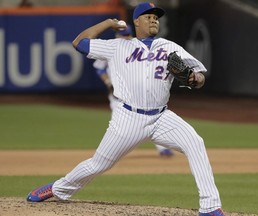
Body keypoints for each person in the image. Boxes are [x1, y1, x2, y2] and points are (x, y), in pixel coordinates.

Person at [26, 2, 224, 216]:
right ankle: (57, 188)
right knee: (98, 164)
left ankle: (210, 207)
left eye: (156, 16)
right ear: (136, 22)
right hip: (128, 118)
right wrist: (107, 23)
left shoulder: (170, 47)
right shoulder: (118, 47)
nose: (153, 19)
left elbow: (200, 77)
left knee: (195, 143)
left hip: (161, 117)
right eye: (148, 16)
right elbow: (78, 42)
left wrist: (195, 78)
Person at [93, 24, 173, 157]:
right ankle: (112, 151)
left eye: (127, 35)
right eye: (122, 35)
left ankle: (162, 148)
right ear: (117, 36)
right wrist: (108, 82)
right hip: (117, 94)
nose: (125, 38)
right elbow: (100, 69)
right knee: (118, 123)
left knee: (153, 118)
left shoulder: (139, 48)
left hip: (137, 93)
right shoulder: (111, 48)